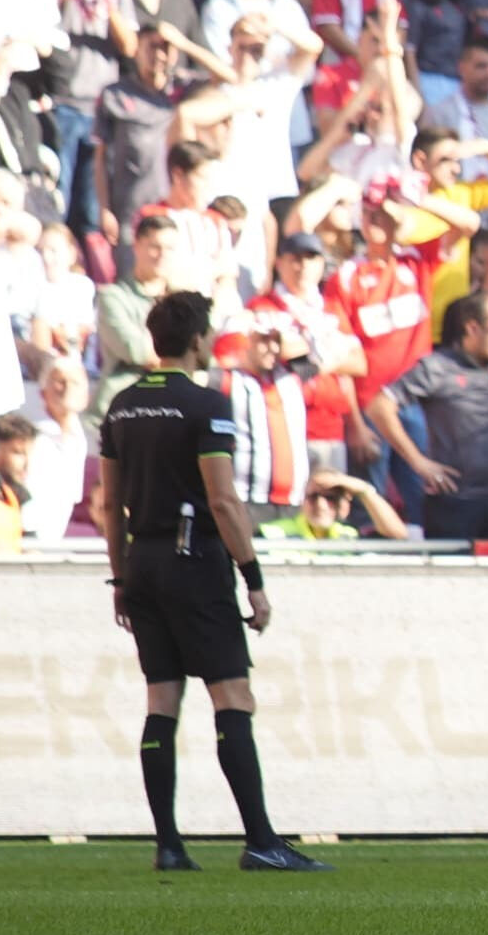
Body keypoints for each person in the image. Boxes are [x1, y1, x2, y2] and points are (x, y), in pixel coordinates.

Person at [92, 292, 319, 873]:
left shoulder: (120, 407)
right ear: (198, 340)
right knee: (232, 696)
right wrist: (254, 580)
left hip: (141, 563)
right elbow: (222, 498)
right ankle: (261, 841)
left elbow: (110, 503)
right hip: (193, 563)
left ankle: (169, 844)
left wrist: (120, 577)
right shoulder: (207, 406)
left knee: (162, 699)